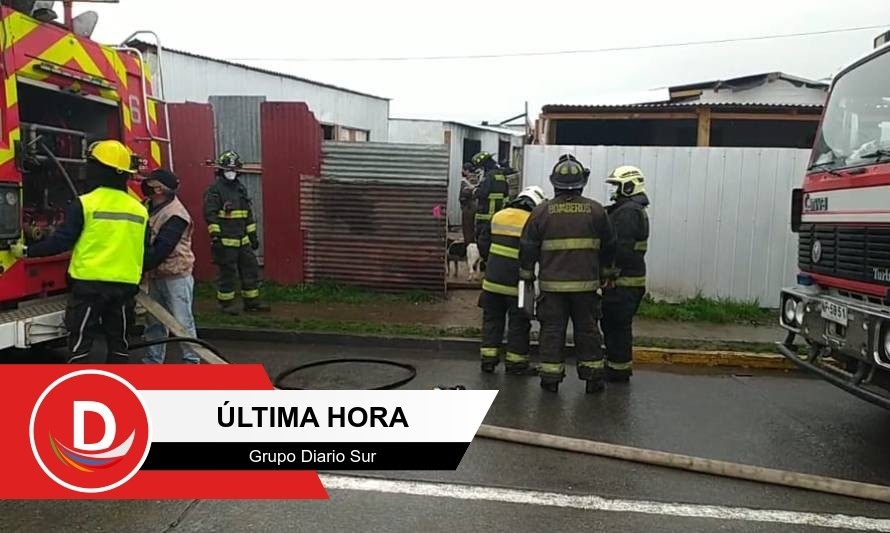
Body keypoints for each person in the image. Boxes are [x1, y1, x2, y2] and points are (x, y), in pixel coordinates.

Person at [11, 140, 149, 364]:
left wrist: (28, 251)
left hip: (89, 286)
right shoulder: (139, 209)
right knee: (119, 344)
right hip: (124, 287)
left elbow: (61, 242)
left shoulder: (85, 203)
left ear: (98, 169)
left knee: (81, 345)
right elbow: (145, 250)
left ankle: (79, 390)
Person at [519, 154, 617, 394]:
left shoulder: (541, 212)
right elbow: (610, 245)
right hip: (586, 288)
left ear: (555, 183)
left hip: (552, 289)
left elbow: (527, 246)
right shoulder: (596, 211)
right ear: (582, 183)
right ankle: (593, 378)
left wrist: (527, 275)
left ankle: (550, 380)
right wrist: (606, 273)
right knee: (588, 331)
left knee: (551, 333)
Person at [477, 185, 547, 375]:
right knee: (519, 323)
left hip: (491, 282)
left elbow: (483, 244)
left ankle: (488, 361)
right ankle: (516, 364)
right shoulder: (533, 221)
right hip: (518, 285)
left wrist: (490, 262)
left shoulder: (498, 215)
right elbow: (535, 251)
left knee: (492, 321)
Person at [141, 168, 200, 364]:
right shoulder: (148, 206)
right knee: (154, 321)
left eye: (150, 182)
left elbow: (161, 250)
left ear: (158, 189)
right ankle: (152, 361)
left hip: (176, 275)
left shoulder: (176, 215)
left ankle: (192, 362)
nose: (145, 185)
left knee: (182, 323)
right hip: (157, 274)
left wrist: (137, 268)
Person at [203, 150, 270, 315]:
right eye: (228, 170)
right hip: (225, 241)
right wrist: (215, 236)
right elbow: (210, 215)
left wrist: (252, 235)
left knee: (250, 269)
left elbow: (246, 214)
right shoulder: (214, 190)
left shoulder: (240, 188)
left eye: (234, 170)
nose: (231, 173)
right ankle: (226, 305)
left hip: (243, 240)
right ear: (220, 170)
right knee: (227, 273)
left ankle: (251, 302)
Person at [601, 165, 650, 383]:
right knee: (615, 325)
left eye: (617, 187)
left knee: (617, 326)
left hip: (623, 282)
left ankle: (618, 371)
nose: (614, 191)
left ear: (629, 186)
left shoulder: (628, 212)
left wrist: (610, 275)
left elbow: (621, 248)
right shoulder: (630, 209)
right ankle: (616, 366)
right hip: (628, 281)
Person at [472, 151, 510, 248]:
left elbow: (483, 193)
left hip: (485, 214)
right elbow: (506, 192)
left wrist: (475, 191)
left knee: (483, 240)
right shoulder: (501, 175)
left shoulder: (488, 176)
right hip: (498, 214)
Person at [459, 162, 477, 245]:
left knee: (468, 228)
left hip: (469, 207)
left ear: (466, 170)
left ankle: (469, 247)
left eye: (463, 169)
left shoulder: (471, 179)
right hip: (469, 206)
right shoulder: (472, 178)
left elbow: (469, 192)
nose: (462, 171)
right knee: (469, 228)